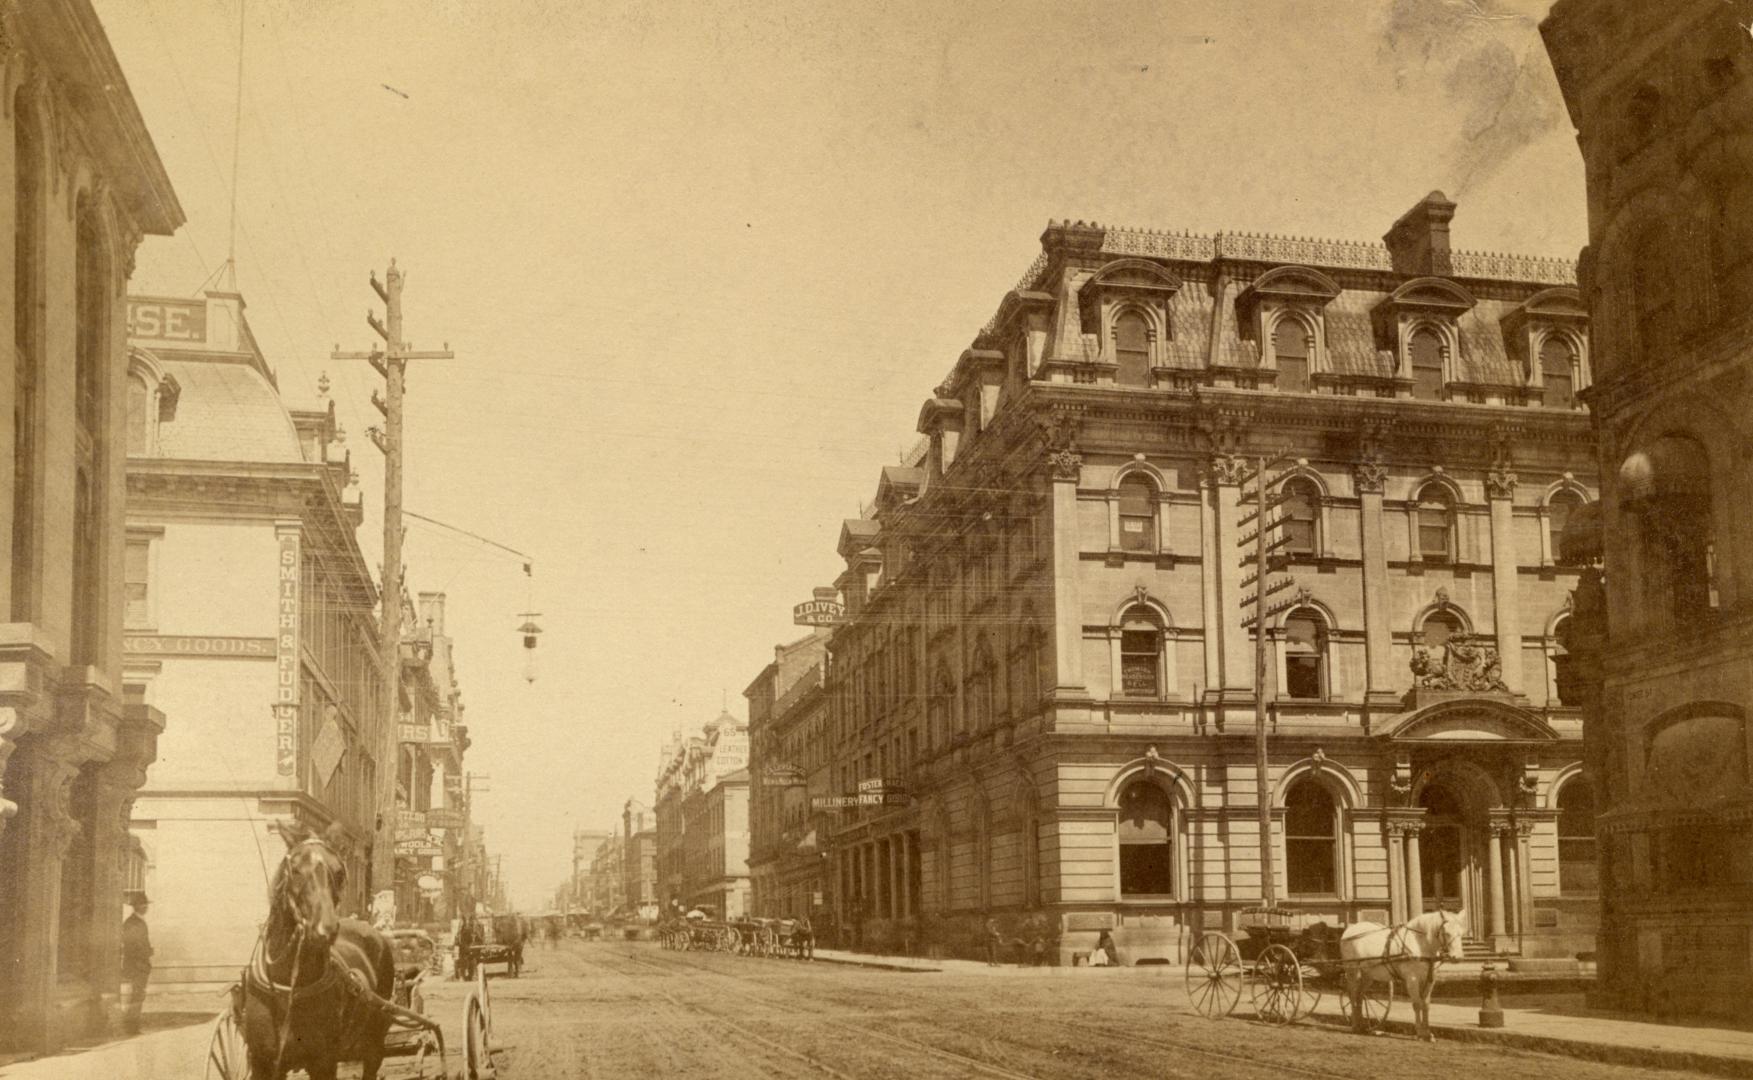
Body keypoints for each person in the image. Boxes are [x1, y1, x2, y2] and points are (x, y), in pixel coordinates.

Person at [120, 892, 153, 1034]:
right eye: (142, 905)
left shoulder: (136, 922)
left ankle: (133, 1026)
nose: (145, 907)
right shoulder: (133, 923)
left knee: (138, 995)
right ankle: (131, 1027)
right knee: (136, 995)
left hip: (138, 964)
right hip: (136, 965)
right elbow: (134, 945)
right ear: (136, 907)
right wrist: (148, 952)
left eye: (146, 905)